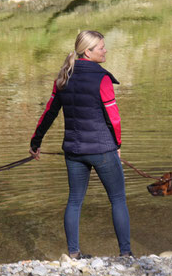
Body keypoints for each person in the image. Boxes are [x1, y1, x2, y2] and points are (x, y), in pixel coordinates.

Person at [29, 30, 133, 259]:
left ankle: (73, 254)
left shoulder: (64, 76)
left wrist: (35, 142)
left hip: (74, 151)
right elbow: (113, 117)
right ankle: (126, 254)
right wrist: (118, 144)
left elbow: (50, 112)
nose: (105, 50)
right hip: (103, 150)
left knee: (75, 200)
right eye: (101, 47)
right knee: (117, 199)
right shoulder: (102, 78)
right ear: (88, 51)